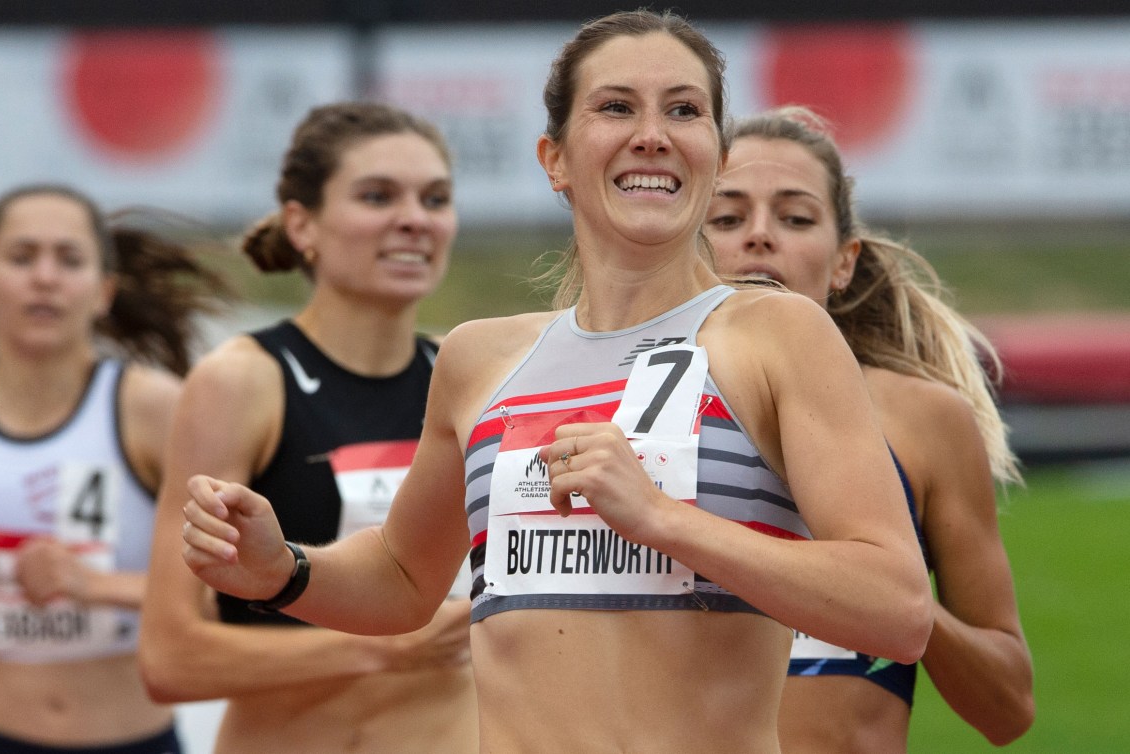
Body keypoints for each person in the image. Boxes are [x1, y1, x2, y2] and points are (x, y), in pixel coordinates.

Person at [179, 11, 934, 751]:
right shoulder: (479, 359)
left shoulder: (777, 334)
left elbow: (895, 610)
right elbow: (405, 575)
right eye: (615, 108)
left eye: (683, 109)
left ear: (713, 153)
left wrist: (665, 521)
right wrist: (284, 568)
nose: (652, 134)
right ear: (555, 159)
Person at [138, 101, 477, 753]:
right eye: (377, 196)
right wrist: (381, 646)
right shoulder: (245, 381)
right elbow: (171, 657)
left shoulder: (470, 378)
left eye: (434, 199)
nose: (413, 219)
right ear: (303, 224)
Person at [704, 106, 1035, 750]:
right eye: (726, 217)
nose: (760, 236)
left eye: (796, 218)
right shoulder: (615, 404)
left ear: (843, 261)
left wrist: (879, 591)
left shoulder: (925, 420)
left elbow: (1008, 706)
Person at [0, 184, 233, 753]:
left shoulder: (155, 411)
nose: (45, 277)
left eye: (69, 260)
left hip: (131, 736)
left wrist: (93, 586)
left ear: (103, 291)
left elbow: (227, 588)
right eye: (22, 257)